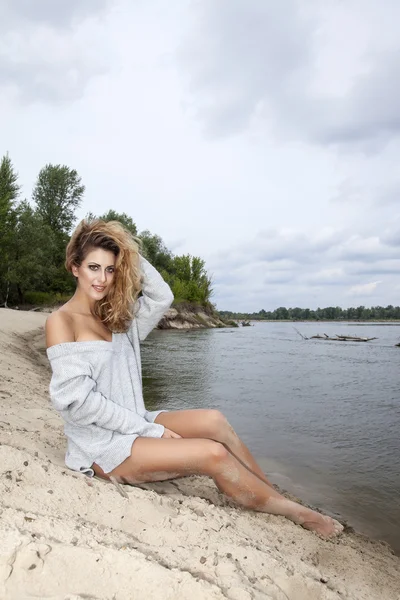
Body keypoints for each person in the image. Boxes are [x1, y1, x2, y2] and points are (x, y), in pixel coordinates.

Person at [46, 219, 343, 538]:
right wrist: (150, 430)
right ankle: (296, 513)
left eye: (110, 268)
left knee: (214, 421)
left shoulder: (118, 319)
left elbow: (161, 296)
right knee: (212, 454)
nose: (102, 278)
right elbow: (78, 405)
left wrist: (128, 251)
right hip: (102, 448)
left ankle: (269, 492)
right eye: (93, 267)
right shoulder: (61, 321)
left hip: (133, 421)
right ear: (74, 266)